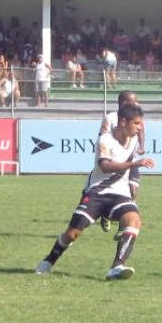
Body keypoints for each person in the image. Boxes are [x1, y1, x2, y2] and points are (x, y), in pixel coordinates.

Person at [36, 105, 155, 280]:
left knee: (134, 221)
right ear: (123, 122)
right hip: (97, 193)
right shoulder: (105, 140)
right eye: (136, 123)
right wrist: (134, 164)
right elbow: (105, 167)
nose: (140, 127)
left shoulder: (134, 140)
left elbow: (131, 163)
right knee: (73, 233)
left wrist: (133, 182)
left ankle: (117, 267)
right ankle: (49, 260)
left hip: (120, 194)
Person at [99, 90, 146, 233]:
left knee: (133, 189)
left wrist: (142, 146)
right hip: (116, 161)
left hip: (132, 159)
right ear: (123, 102)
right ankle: (106, 214)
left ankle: (124, 225)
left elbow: (142, 131)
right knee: (112, 190)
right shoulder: (111, 118)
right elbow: (103, 137)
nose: (136, 103)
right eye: (133, 100)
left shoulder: (136, 115)